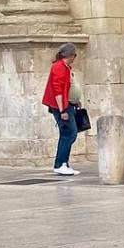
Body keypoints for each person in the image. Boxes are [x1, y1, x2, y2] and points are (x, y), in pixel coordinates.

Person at [41, 43, 81, 177]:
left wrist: (75, 100)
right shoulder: (59, 67)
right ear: (70, 55)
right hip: (62, 106)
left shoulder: (65, 67)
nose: (75, 57)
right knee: (69, 133)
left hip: (68, 104)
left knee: (69, 133)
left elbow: (67, 88)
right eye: (75, 55)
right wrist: (62, 110)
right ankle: (60, 164)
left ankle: (64, 163)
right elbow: (57, 90)